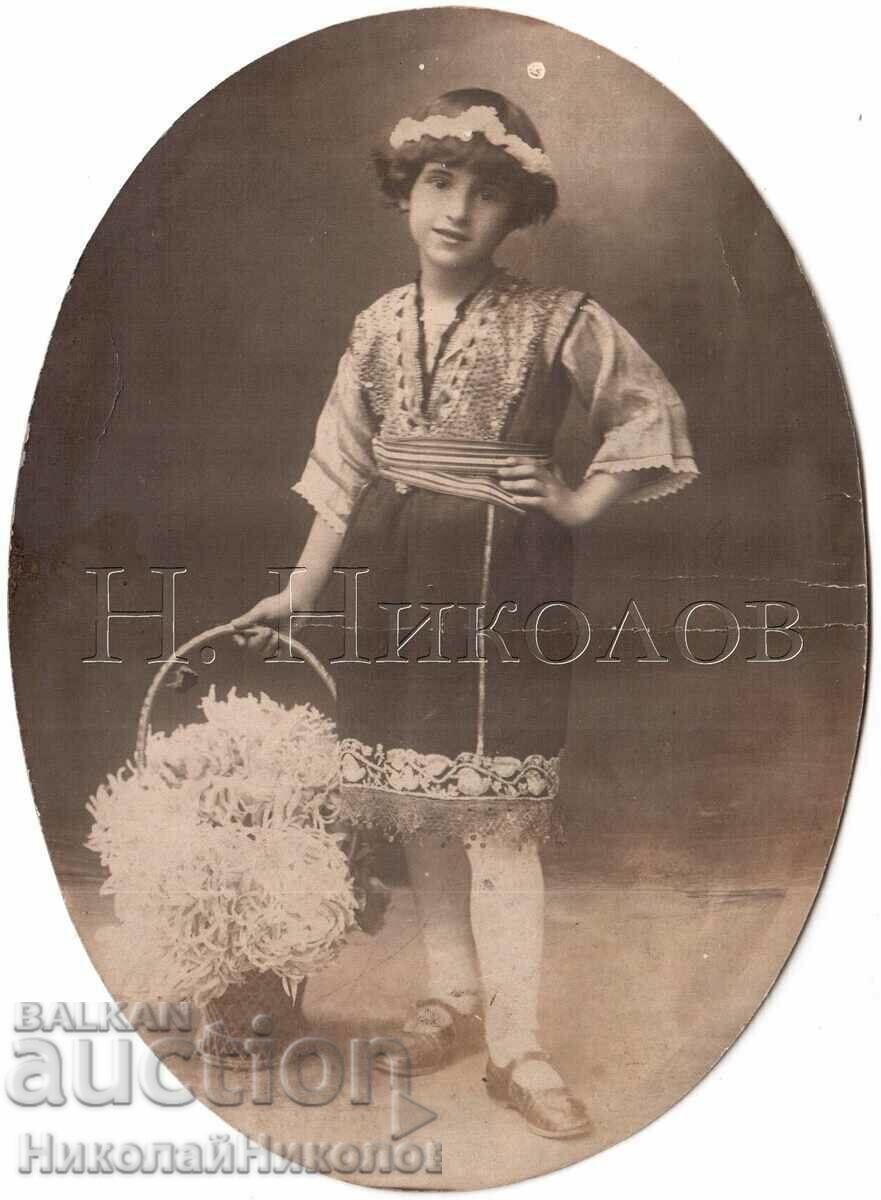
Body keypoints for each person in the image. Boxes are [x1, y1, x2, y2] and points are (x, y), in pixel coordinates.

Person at [231, 88, 698, 1139]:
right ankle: (450, 994)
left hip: (504, 585)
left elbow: (648, 411)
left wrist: (577, 501)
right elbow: (341, 467)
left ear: (516, 213)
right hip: (391, 582)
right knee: (415, 803)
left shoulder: (558, 318)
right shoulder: (374, 326)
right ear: (405, 191)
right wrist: (302, 589)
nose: (456, 211)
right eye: (437, 182)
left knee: (494, 813)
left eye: (486, 194)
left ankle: (517, 1044)